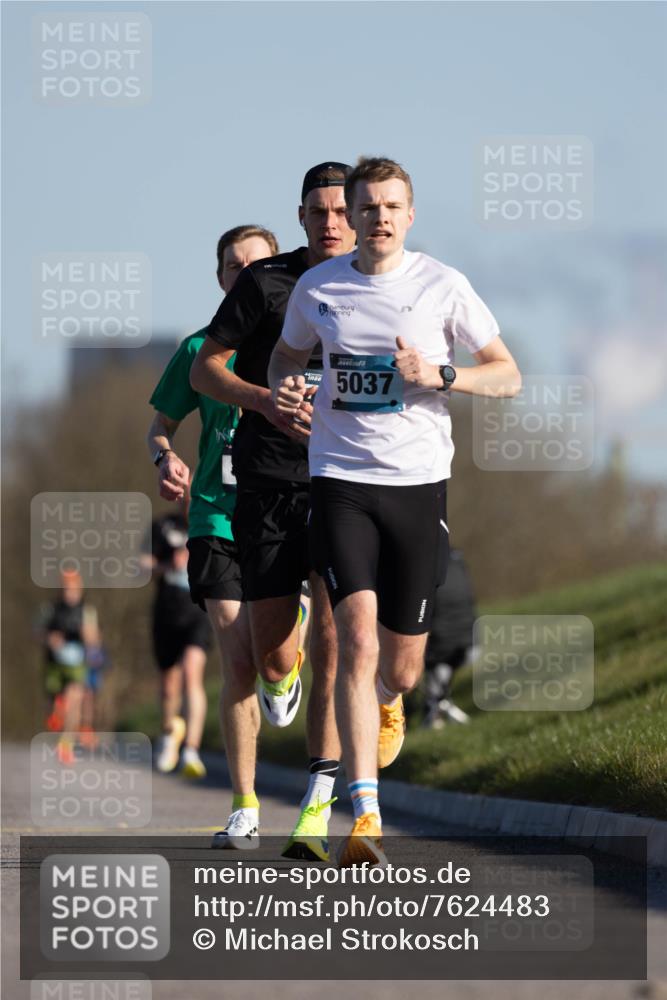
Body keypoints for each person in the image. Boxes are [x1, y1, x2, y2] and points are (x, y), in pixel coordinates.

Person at [269, 156, 522, 866]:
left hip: (416, 484)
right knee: (353, 638)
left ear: (408, 215)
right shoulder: (319, 288)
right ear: (349, 214)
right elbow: (286, 360)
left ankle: (390, 699)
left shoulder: (442, 285)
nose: (377, 216)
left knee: (400, 669)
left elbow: (507, 374)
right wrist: (287, 391)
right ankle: (365, 815)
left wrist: (438, 374)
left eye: (391, 206)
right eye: (367, 205)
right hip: (339, 478)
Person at [190, 164, 357, 860]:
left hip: (347, 474)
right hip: (267, 479)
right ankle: (276, 676)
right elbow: (207, 369)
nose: (329, 223)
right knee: (274, 652)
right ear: (301, 217)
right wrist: (261, 399)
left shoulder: (383, 286)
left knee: (331, 639)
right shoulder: (266, 285)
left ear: (361, 215)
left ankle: (316, 808)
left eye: (340, 211)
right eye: (316, 212)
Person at [147, 225, 280, 838]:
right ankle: (245, 806)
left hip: (281, 513)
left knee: (272, 663)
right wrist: (164, 457)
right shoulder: (198, 347)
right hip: (214, 517)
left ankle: (291, 661)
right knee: (237, 662)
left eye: (257, 263)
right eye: (234, 265)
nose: (244, 273)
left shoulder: (299, 343)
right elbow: (160, 426)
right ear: (222, 278)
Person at [146, 510, 212, 777]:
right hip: (167, 610)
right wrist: (168, 565)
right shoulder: (163, 525)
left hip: (198, 610)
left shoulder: (210, 518)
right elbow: (142, 564)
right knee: (169, 683)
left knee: (192, 673)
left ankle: (191, 750)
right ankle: (168, 734)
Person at [39, 569, 102, 763]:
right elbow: (36, 632)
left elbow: (95, 640)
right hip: (54, 664)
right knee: (55, 704)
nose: (70, 593)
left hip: (77, 663)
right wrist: (49, 638)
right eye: (66, 589)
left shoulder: (87, 611)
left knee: (74, 697)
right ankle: (57, 713)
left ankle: (66, 743)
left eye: (74, 589)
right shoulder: (49, 609)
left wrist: (88, 636)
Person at [422, 549, 477, 728]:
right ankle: (440, 704)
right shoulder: (458, 560)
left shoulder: (421, 566)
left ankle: (435, 711)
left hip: (440, 646)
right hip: (471, 642)